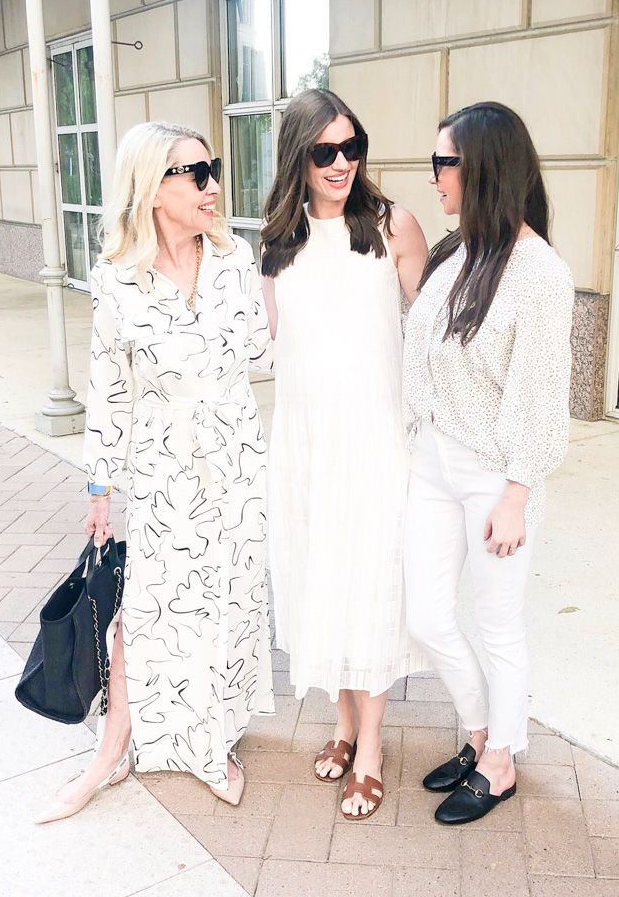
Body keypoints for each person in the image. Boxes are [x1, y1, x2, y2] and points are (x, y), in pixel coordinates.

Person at [35, 121, 274, 824]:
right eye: (196, 174)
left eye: (213, 170)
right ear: (153, 189)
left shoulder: (236, 258)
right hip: (165, 459)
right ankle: (112, 750)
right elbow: (109, 388)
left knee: (230, 600)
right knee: (144, 613)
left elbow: (257, 351)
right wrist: (99, 485)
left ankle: (214, 744)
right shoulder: (117, 280)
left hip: (235, 452)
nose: (213, 187)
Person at [402, 102, 574, 825]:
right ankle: (480, 730)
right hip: (433, 460)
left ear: (484, 169)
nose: (435, 176)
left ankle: (500, 759)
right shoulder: (457, 252)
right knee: (427, 612)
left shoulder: (540, 273)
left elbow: (539, 395)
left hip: (493, 474)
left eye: (446, 162)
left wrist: (516, 494)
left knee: (498, 622)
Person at [261, 89, 429, 820]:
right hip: (304, 442)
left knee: (372, 589)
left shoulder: (393, 226)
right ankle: (341, 723)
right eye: (325, 150)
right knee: (322, 582)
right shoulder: (274, 243)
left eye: (351, 147)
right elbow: (260, 344)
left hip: (374, 440)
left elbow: (432, 340)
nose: (341, 163)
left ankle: (370, 749)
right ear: (298, 155)